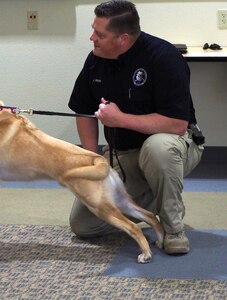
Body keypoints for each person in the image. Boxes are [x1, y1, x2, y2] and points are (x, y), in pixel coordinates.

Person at [68, 0, 204, 255]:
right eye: (93, 30)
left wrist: (121, 119)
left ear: (123, 38)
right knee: (84, 224)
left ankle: (173, 229)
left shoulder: (163, 57)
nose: (92, 38)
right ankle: (152, 196)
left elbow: (176, 124)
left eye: (100, 34)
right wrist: (91, 158)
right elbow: (84, 110)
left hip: (174, 146)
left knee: (158, 148)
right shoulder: (96, 60)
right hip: (124, 153)